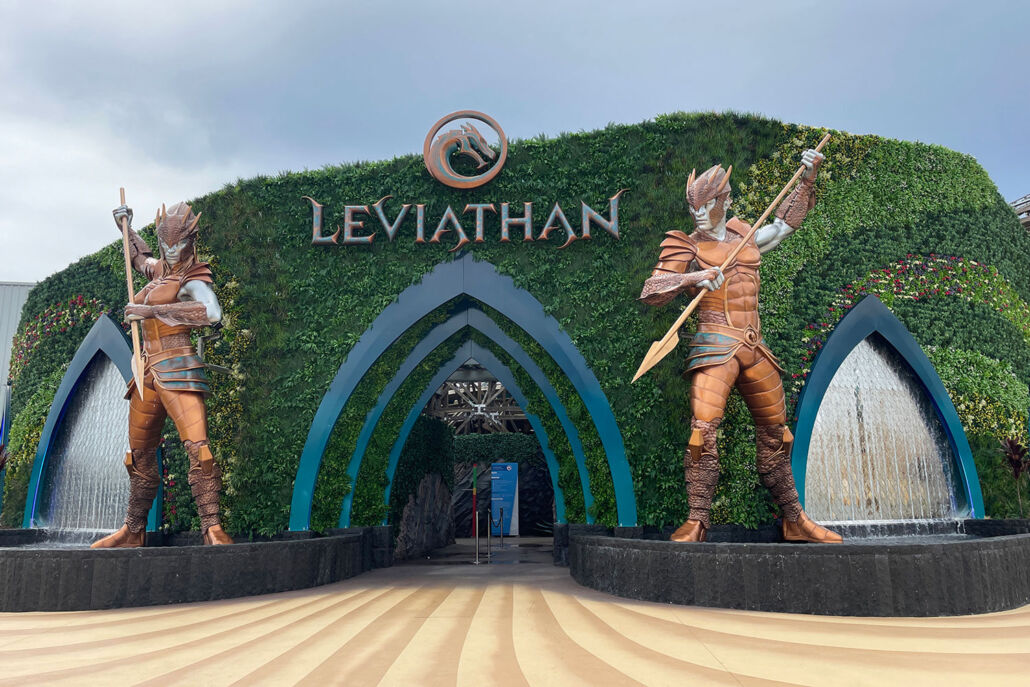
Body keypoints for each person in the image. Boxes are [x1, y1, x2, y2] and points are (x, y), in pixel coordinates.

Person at [639, 150, 842, 543]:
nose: (698, 214)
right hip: (714, 345)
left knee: (776, 434)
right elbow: (652, 290)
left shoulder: (744, 238)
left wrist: (807, 179)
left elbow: (783, 227)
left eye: (707, 205)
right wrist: (693, 278)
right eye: (694, 206)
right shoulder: (687, 245)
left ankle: (794, 519)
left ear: (725, 201)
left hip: (756, 347)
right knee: (702, 433)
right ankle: (697, 521)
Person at [91, 202, 233, 547]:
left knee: (199, 449)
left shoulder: (192, 278)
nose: (170, 250)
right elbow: (140, 259)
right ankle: (133, 529)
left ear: (190, 241)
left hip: (178, 366)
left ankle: (212, 527)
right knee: (138, 455)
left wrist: (150, 311)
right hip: (146, 370)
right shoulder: (159, 272)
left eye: (177, 244)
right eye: (165, 244)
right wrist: (127, 228)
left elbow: (211, 312)